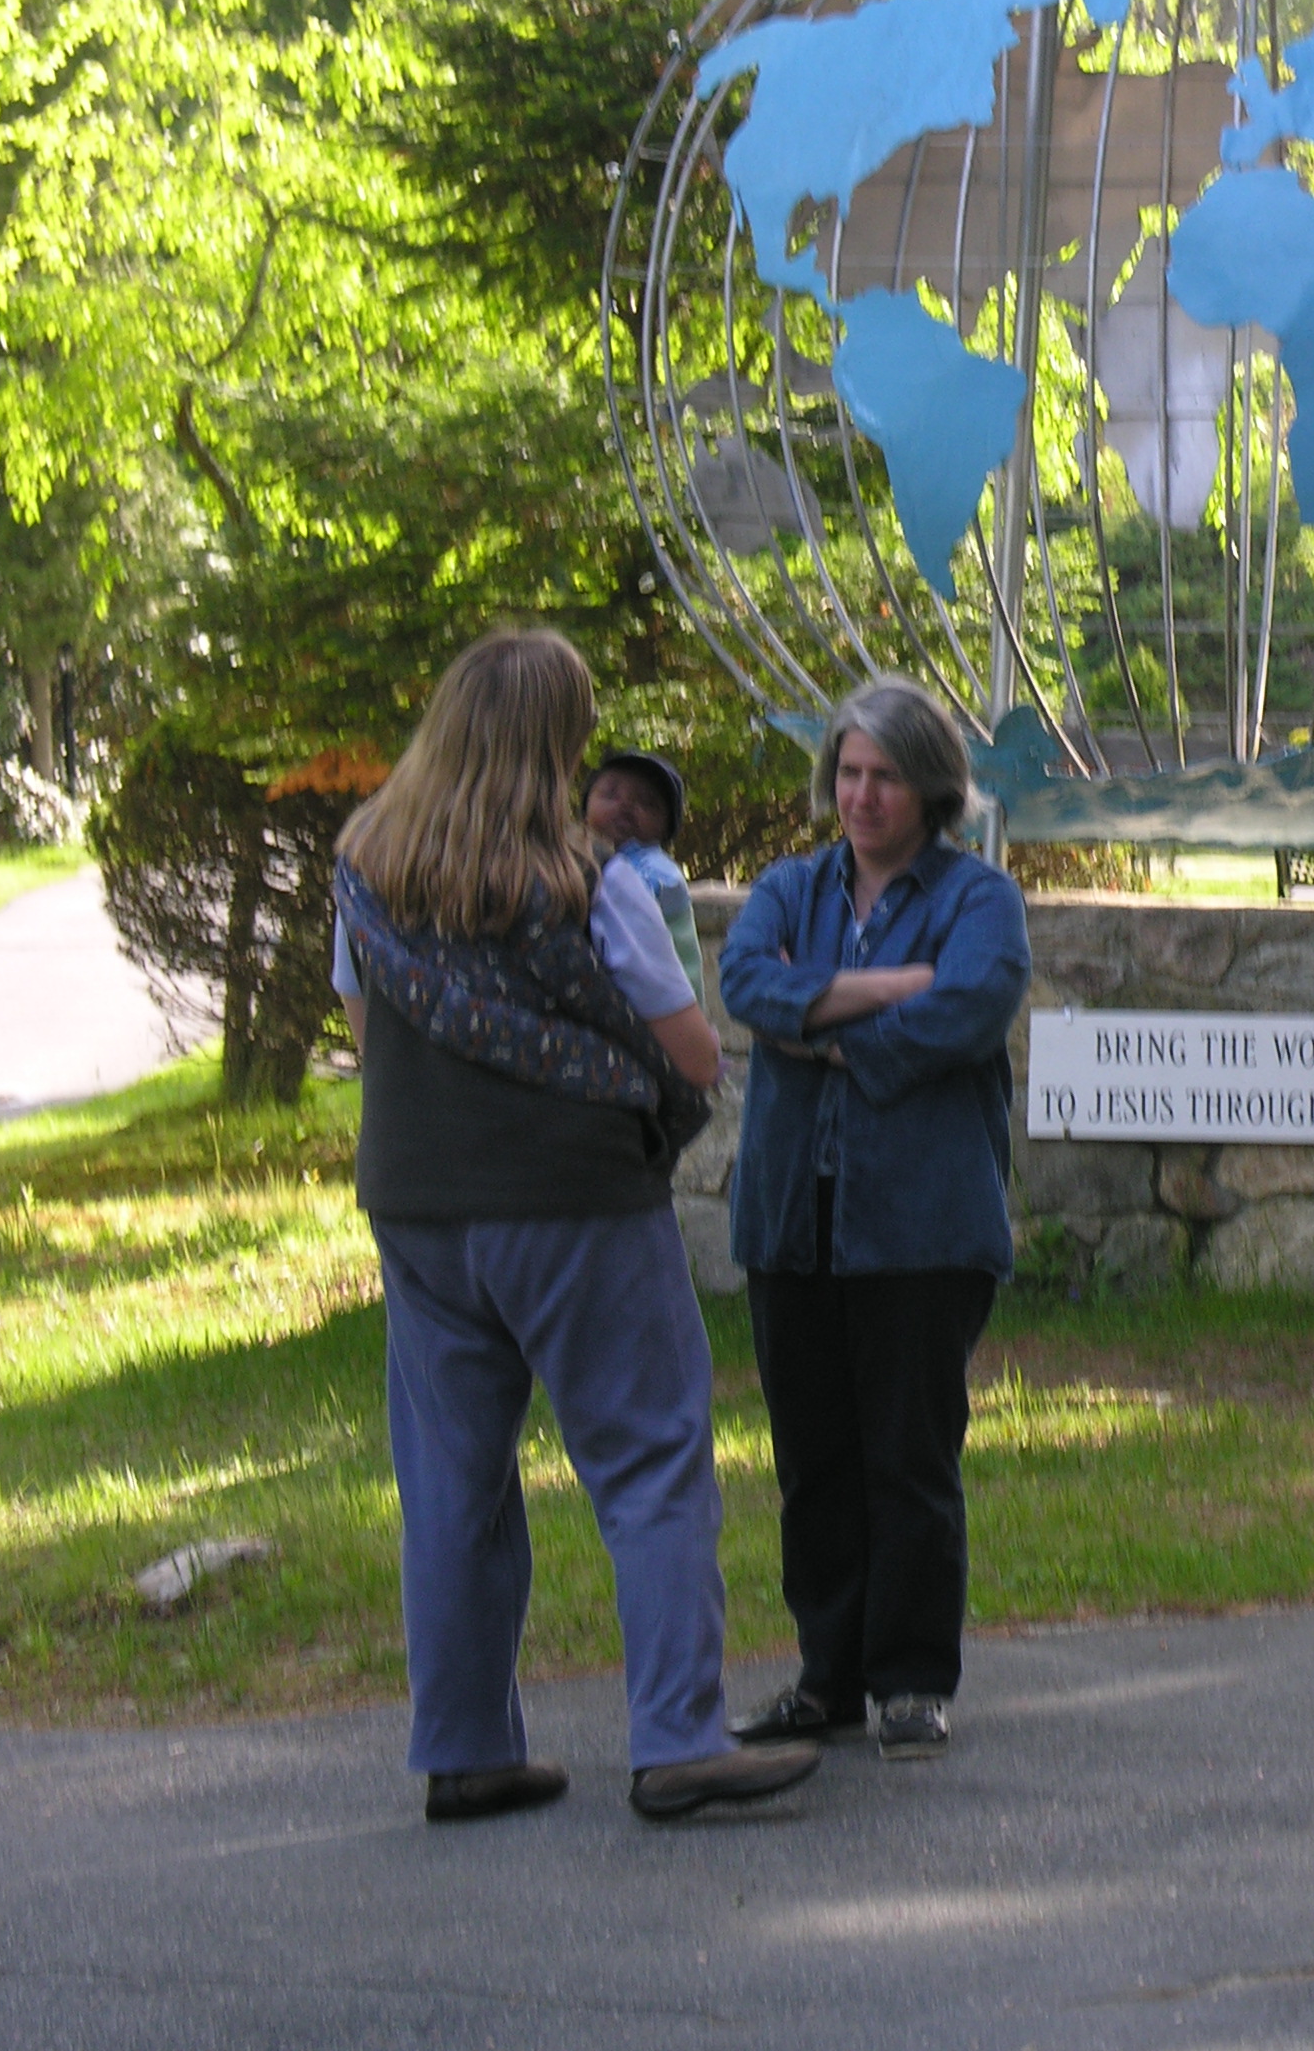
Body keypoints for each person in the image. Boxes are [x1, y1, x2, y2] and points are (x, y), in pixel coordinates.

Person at [331, 629, 822, 1825]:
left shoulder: (365, 871)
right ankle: (677, 1740)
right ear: (557, 745)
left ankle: (464, 1750)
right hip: (577, 1205)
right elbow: (690, 1051)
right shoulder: (589, 884)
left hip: (417, 1206)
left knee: (449, 1478)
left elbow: (362, 1021)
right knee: (651, 1460)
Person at [716, 676, 1030, 1762]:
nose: (861, 796)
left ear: (930, 785)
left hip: (920, 1226)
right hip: (792, 1220)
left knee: (908, 1460)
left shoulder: (980, 901)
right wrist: (895, 988)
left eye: (885, 776)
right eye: (849, 772)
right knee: (813, 1463)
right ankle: (827, 1680)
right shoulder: (789, 889)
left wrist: (820, 1025)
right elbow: (745, 984)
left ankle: (909, 1681)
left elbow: (968, 1008)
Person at [586, 747, 708, 993]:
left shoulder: (657, 871)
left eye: (648, 803)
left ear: (666, 830)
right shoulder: (578, 858)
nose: (626, 805)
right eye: (611, 794)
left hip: (668, 1007)